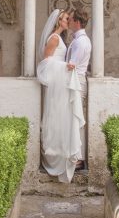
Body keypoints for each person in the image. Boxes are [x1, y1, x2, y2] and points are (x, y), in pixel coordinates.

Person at [36, 9, 85, 183]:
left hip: (61, 84)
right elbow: (46, 63)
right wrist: (65, 67)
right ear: (58, 21)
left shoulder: (61, 39)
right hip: (57, 85)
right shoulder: (55, 38)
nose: (68, 21)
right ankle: (54, 155)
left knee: (62, 118)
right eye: (65, 19)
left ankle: (64, 153)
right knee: (56, 117)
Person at [64, 8, 91, 171]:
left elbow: (71, 66)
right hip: (75, 82)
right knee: (73, 120)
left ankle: (78, 158)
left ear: (77, 22)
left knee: (76, 119)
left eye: (71, 19)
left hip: (77, 83)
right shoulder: (79, 40)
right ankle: (75, 155)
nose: (68, 21)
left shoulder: (81, 42)